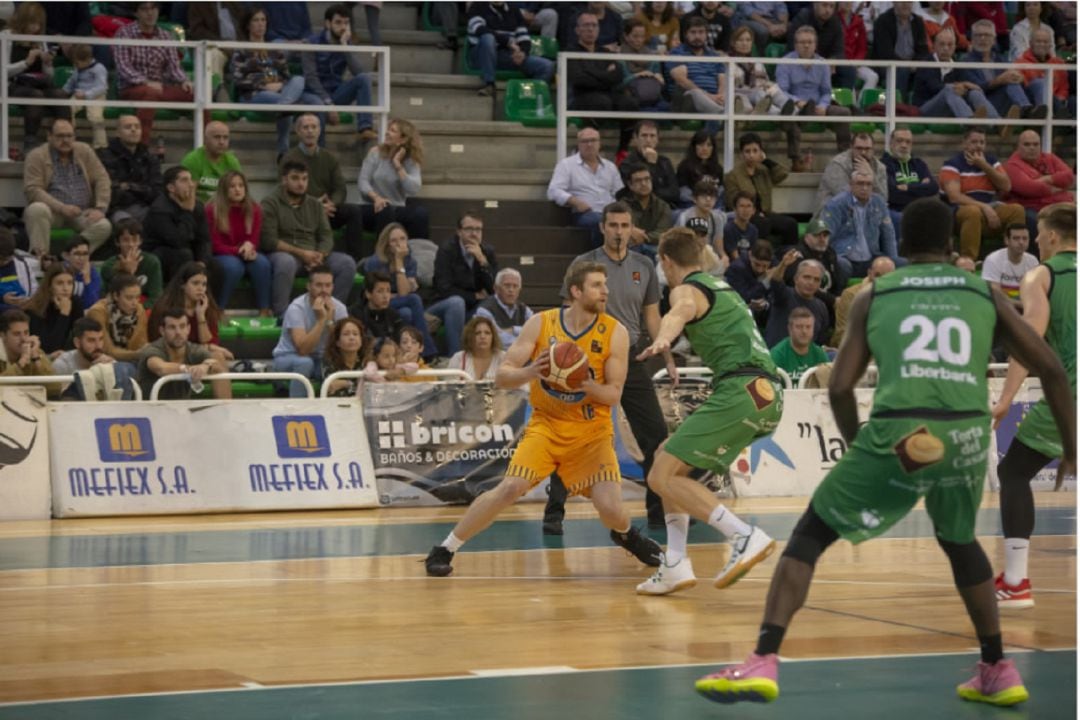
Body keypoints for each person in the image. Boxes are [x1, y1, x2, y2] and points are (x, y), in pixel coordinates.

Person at [695, 196, 1075, 709]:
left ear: (903, 245)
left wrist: (859, 450)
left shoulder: (877, 293)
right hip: (965, 435)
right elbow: (1050, 368)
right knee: (961, 543)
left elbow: (839, 387)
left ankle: (762, 660)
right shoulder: (984, 292)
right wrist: (1070, 448)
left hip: (901, 432)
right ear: (948, 244)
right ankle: (997, 667)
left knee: (808, 535)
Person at [424, 260, 663, 577]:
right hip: (546, 425)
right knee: (510, 487)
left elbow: (614, 395)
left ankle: (626, 535)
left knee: (611, 509)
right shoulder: (541, 323)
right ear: (576, 291)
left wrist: (584, 382)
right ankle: (445, 548)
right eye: (597, 285)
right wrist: (532, 371)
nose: (606, 290)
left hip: (591, 432)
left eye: (605, 285)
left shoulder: (614, 332)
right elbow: (503, 377)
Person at [633, 226, 781, 594]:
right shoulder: (723, 287)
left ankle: (744, 535)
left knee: (659, 477)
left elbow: (679, 310)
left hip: (741, 388)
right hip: (765, 391)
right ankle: (676, 563)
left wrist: (664, 336)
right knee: (664, 455)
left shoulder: (687, 288)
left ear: (666, 261)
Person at [546, 202, 675, 532]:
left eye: (625, 225)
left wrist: (667, 354)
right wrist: (567, 357)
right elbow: (567, 311)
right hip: (588, 358)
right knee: (571, 433)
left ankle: (657, 513)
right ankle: (554, 513)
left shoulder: (643, 265)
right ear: (602, 228)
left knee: (656, 435)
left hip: (629, 357)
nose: (619, 231)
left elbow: (651, 315)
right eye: (613, 225)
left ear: (632, 229)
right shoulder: (584, 264)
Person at [989, 203, 1076, 610]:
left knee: (1014, 470)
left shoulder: (1041, 275)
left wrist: (1005, 399)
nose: (1036, 240)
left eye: (1039, 234)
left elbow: (1029, 342)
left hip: (1069, 397)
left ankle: (1016, 580)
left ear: (1053, 237)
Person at [261, 160, 356, 316]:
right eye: (295, 178)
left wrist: (320, 255)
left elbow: (326, 236)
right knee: (286, 262)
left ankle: (332, 311)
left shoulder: (315, 204)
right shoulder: (270, 203)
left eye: (304, 179)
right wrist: (303, 254)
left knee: (347, 264)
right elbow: (268, 240)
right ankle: (281, 314)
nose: (301, 183)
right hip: (287, 254)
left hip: (314, 255)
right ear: (284, 179)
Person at [231, 7, 325, 159]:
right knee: (284, 102)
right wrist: (263, 85)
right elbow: (238, 79)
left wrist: (281, 85)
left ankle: (319, 151)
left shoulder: (275, 49)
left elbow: (287, 76)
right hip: (256, 94)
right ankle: (283, 151)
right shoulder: (241, 49)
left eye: (263, 20)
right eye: (256, 20)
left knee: (311, 95)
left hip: (282, 91)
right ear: (248, 25)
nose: (261, 24)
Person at [281, 113, 365, 259]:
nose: (310, 131)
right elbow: (284, 191)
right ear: (298, 131)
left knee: (354, 211)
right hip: (302, 211)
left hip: (328, 210)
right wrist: (315, 205)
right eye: (305, 127)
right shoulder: (288, 158)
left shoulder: (329, 157)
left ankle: (356, 260)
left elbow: (340, 188)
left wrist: (332, 203)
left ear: (320, 130)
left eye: (314, 127)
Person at [23, 119, 112, 257]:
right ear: (49, 136)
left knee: (104, 226)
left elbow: (102, 178)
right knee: (36, 209)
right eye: (60, 136)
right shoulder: (36, 156)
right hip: (53, 213)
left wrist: (100, 208)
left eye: (69, 136)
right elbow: (33, 190)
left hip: (81, 212)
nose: (65, 140)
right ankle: (41, 259)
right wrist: (61, 208)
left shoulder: (84, 150)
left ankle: (72, 256)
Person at [113, 2, 196, 146]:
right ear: (136, 13)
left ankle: (208, 145)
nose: (150, 13)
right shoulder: (123, 34)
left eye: (153, 9)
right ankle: (141, 147)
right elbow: (124, 68)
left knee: (197, 94)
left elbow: (173, 66)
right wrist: (146, 82)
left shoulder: (166, 36)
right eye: (144, 9)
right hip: (131, 88)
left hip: (160, 88)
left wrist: (184, 81)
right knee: (150, 93)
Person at [939, 127, 1025, 260]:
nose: (978, 146)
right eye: (974, 142)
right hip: (959, 213)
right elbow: (954, 197)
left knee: (1016, 210)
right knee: (973, 211)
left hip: (989, 210)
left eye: (982, 142)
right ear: (964, 143)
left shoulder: (991, 162)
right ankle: (969, 260)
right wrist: (984, 207)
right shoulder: (952, 164)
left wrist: (984, 165)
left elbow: (1007, 186)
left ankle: (1011, 258)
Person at [776, 27, 851, 169]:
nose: (806, 45)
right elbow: (782, 90)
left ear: (815, 45)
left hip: (817, 106)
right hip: (796, 105)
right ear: (796, 44)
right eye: (802, 42)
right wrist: (797, 101)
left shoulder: (822, 64)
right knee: (791, 116)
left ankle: (845, 157)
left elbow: (826, 91)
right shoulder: (785, 62)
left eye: (810, 42)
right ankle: (796, 161)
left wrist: (823, 105)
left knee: (844, 112)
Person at [359, 223, 438, 358]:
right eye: (394, 240)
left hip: (397, 304)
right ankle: (427, 351)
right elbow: (387, 294)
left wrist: (399, 262)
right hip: (375, 304)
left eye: (402, 239)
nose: (399, 244)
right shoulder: (375, 262)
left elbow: (402, 293)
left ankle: (406, 354)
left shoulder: (410, 262)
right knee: (414, 299)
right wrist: (398, 260)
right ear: (386, 244)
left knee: (406, 313)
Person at [302, 4, 377, 143]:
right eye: (338, 22)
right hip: (313, 93)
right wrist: (328, 104)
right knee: (318, 106)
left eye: (346, 23)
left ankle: (365, 128)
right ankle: (320, 152)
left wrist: (345, 47)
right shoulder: (311, 42)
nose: (343, 27)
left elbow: (358, 72)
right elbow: (311, 78)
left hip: (336, 92)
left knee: (363, 78)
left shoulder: (346, 43)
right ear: (327, 23)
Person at [566, 11, 638, 153]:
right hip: (581, 97)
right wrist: (605, 75)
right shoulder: (570, 51)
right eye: (586, 25)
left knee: (630, 104)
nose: (590, 29)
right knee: (602, 102)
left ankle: (622, 150)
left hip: (607, 94)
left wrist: (591, 71)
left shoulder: (605, 52)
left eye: (594, 25)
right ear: (577, 30)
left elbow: (617, 76)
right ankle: (585, 146)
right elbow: (579, 79)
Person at [272, 265, 349, 397]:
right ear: (309, 286)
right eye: (319, 285)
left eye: (328, 285)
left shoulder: (340, 308)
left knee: (334, 368)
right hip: (288, 357)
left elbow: (343, 345)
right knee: (305, 363)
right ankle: (297, 409)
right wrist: (321, 320)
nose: (324, 290)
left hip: (320, 359)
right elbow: (303, 350)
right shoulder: (296, 308)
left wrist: (330, 321)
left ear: (333, 287)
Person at [5, 2, 71, 156]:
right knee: (36, 96)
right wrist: (25, 62)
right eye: (32, 23)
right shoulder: (6, 37)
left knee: (60, 94)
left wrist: (48, 63)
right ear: (22, 20)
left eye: (38, 24)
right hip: (13, 84)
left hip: (38, 83)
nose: (35, 28)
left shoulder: (40, 40)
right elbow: (3, 71)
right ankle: (30, 141)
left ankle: (66, 137)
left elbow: (48, 76)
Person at [432, 212, 497, 355]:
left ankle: (484, 356)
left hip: (471, 309)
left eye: (478, 229)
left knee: (492, 301)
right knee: (456, 303)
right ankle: (456, 358)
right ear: (459, 232)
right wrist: (474, 296)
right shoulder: (446, 250)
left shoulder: (487, 251)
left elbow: (494, 290)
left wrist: (482, 261)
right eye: (469, 229)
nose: (474, 234)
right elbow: (444, 288)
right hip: (444, 306)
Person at [206, 171, 271, 315]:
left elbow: (254, 238)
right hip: (221, 253)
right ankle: (218, 309)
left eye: (241, 185)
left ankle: (264, 310)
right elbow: (215, 245)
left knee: (262, 264)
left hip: (244, 252)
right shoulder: (212, 210)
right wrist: (239, 251)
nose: (238, 189)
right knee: (234, 267)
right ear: (224, 189)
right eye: (232, 186)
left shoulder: (254, 209)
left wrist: (250, 246)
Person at [547, 126, 624, 246]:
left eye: (593, 140)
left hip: (611, 213)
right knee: (601, 223)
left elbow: (620, 193)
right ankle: (603, 259)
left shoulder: (610, 167)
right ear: (578, 144)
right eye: (584, 141)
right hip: (585, 214)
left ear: (599, 143)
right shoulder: (567, 165)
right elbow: (553, 191)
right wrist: (575, 201)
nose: (589, 144)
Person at [358, 118, 430, 243]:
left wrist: (398, 165)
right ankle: (383, 255)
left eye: (392, 131)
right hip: (372, 208)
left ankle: (419, 254)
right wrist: (377, 198)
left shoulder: (410, 160)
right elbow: (363, 182)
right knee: (385, 209)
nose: (387, 133)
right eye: (388, 130)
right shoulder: (375, 153)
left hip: (397, 208)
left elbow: (414, 189)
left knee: (421, 213)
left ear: (403, 139)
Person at [819, 170, 901, 279]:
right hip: (844, 257)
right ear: (851, 185)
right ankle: (838, 294)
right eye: (860, 183)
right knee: (842, 265)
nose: (865, 188)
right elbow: (826, 235)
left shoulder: (879, 202)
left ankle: (891, 294)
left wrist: (891, 260)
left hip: (872, 258)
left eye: (868, 184)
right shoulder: (836, 204)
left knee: (901, 263)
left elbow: (888, 234)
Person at [143, 166, 214, 285]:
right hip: (157, 256)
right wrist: (187, 212)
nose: (191, 185)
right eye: (184, 180)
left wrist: (202, 262)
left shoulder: (197, 206)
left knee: (216, 266)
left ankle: (208, 301)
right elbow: (178, 241)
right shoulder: (159, 210)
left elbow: (204, 239)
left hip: (184, 252)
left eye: (191, 180)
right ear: (171, 188)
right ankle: (176, 298)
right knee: (183, 254)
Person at [724, 133, 798, 249]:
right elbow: (731, 201)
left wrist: (766, 160)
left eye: (755, 151)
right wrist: (753, 212)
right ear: (741, 154)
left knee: (791, 224)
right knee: (764, 224)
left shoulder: (764, 171)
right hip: (746, 215)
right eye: (747, 151)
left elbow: (783, 174)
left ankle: (788, 257)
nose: (751, 155)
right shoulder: (733, 175)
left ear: (760, 152)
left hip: (766, 213)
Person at [962, 19, 1044, 123]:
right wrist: (1000, 80)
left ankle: (1041, 113)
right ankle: (1026, 110)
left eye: (987, 35)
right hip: (986, 104)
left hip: (1009, 101)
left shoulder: (1000, 59)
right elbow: (977, 89)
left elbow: (1015, 81)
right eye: (979, 35)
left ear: (994, 40)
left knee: (1038, 83)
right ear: (972, 39)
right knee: (1009, 82)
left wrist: (1020, 78)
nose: (983, 39)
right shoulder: (966, 62)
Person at [467, 2, 554, 97]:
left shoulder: (514, 9)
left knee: (546, 66)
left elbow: (524, 37)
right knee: (488, 38)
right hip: (481, 55)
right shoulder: (477, 7)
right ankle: (489, 84)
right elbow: (480, 29)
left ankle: (531, 99)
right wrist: (507, 42)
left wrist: (522, 53)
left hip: (504, 55)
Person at [136, 308, 226, 401]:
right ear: (162, 331)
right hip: (148, 410)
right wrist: (190, 369)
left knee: (217, 355)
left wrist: (205, 366)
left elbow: (218, 365)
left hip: (180, 411)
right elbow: (160, 368)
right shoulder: (153, 349)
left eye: (182, 326)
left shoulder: (193, 349)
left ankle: (226, 411)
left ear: (188, 329)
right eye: (172, 327)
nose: (178, 332)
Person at [1003, 130, 1075, 240]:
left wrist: (1047, 178)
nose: (1032, 148)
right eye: (1027, 144)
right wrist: (1057, 186)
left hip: (1060, 205)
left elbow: (1069, 177)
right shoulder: (1012, 165)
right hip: (1032, 208)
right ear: (1018, 146)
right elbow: (1029, 188)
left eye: (1036, 144)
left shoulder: (1049, 158)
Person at [912, 28, 997, 120]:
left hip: (950, 108)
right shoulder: (925, 63)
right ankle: (971, 123)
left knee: (974, 93)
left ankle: (998, 123)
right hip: (926, 109)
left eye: (950, 45)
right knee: (949, 89)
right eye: (942, 44)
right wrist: (963, 85)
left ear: (955, 47)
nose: (945, 48)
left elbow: (975, 85)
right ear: (934, 45)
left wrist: (969, 87)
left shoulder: (957, 65)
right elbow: (935, 87)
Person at [97, 115, 163, 224]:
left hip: (146, 206)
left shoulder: (149, 157)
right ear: (118, 132)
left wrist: (129, 186)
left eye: (137, 127)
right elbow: (111, 191)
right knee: (129, 225)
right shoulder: (104, 156)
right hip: (116, 209)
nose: (133, 130)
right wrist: (142, 190)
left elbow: (157, 190)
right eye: (128, 127)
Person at [52, 317, 137, 401]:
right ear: (77, 343)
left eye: (101, 339)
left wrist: (112, 369)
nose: (98, 346)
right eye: (91, 340)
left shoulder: (107, 362)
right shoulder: (62, 365)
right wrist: (93, 370)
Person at [763, 253, 830, 348]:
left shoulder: (821, 307)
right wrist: (783, 264)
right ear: (796, 279)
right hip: (776, 357)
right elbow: (776, 280)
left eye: (816, 280)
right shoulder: (784, 295)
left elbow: (820, 341)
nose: (811, 282)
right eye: (807, 277)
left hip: (806, 361)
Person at [728, 26, 797, 118]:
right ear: (733, 43)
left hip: (758, 91)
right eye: (740, 40)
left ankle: (796, 111)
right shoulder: (727, 62)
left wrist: (772, 89)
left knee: (775, 91)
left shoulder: (757, 63)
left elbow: (765, 82)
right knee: (759, 93)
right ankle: (779, 115)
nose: (744, 43)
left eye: (748, 40)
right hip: (740, 95)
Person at [881, 128, 940, 233]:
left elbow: (933, 187)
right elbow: (892, 194)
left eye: (908, 142)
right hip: (895, 210)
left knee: (941, 215)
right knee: (901, 219)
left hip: (920, 209)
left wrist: (907, 187)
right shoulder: (883, 165)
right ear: (891, 143)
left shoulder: (919, 164)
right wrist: (920, 187)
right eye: (899, 141)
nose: (904, 145)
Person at [666, 17, 726, 117]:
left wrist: (720, 96)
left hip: (715, 97)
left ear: (706, 34)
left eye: (701, 32)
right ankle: (723, 115)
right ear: (686, 34)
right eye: (693, 32)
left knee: (737, 95)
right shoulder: (677, 53)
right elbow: (681, 81)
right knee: (695, 93)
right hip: (687, 100)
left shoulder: (714, 55)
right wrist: (709, 96)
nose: (697, 36)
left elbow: (723, 80)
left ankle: (750, 117)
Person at [831, 255, 895, 346]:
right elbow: (842, 334)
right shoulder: (850, 295)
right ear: (869, 273)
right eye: (877, 275)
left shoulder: (898, 296)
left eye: (887, 277)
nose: (881, 280)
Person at [86, 274, 150, 365]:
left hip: (133, 362)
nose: (135, 303)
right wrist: (137, 354)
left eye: (137, 297)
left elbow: (141, 344)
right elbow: (107, 350)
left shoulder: (139, 310)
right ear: (116, 296)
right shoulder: (98, 312)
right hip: (100, 363)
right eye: (129, 298)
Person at [783, 218, 847, 308]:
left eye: (825, 235)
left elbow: (837, 282)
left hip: (828, 303)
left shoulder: (830, 253)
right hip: (803, 303)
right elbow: (800, 286)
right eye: (817, 235)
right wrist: (832, 300)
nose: (822, 239)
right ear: (806, 237)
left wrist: (838, 299)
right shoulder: (796, 255)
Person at [100, 218, 163, 308]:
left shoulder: (151, 262)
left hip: (142, 308)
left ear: (140, 241)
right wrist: (127, 273)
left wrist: (136, 311)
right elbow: (107, 297)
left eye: (134, 240)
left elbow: (155, 297)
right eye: (126, 240)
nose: (131, 244)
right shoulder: (108, 266)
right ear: (117, 242)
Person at [814, 133, 888, 209]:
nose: (863, 152)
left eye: (867, 149)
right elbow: (844, 196)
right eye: (859, 148)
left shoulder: (880, 167)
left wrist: (871, 176)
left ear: (873, 149)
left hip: (869, 212)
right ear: (851, 148)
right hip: (833, 213)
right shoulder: (837, 164)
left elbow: (883, 198)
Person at [870, 1, 929, 95]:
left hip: (912, 65)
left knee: (929, 70)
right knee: (902, 70)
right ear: (894, 2)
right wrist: (907, 65)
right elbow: (885, 54)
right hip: (887, 64)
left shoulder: (918, 21)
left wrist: (915, 64)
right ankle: (898, 106)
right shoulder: (883, 21)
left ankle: (921, 107)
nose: (905, 4)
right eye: (902, 1)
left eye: (909, 2)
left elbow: (923, 50)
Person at [24, 265, 82, 356]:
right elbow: (49, 348)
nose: (66, 288)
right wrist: (64, 314)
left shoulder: (75, 302)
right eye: (59, 283)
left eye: (70, 283)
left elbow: (81, 337)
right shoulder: (34, 309)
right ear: (50, 286)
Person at [620, 121, 679, 207]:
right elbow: (637, 193)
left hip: (665, 208)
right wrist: (651, 165)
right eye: (644, 135)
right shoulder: (627, 164)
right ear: (635, 138)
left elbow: (674, 193)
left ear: (657, 139)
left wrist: (654, 193)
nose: (648, 140)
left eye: (652, 136)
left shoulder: (665, 162)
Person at [181, 122, 243, 204]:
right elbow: (187, 196)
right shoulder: (192, 160)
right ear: (205, 139)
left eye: (225, 138)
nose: (221, 142)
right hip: (199, 210)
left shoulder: (232, 162)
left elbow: (240, 193)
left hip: (225, 209)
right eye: (217, 137)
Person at [786, 2, 847, 86]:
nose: (828, 10)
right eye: (824, 5)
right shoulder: (802, 17)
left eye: (831, 6)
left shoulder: (835, 22)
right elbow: (793, 46)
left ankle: (839, 98)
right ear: (815, 5)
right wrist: (816, 61)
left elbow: (839, 50)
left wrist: (833, 60)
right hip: (803, 59)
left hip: (826, 62)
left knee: (848, 70)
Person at [981, 224, 1040, 309]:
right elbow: (995, 294)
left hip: (1024, 306)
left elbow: (1035, 292)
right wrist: (1021, 304)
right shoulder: (993, 260)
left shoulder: (1033, 261)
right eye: (1016, 238)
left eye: (1025, 238)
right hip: (1000, 308)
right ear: (1007, 240)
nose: (1021, 242)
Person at [1017, 28, 1072, 117]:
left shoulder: (1058, 63)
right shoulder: (1020, 63)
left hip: (1055, 101)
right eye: (1038, 41)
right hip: (1033, 103)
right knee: (1039, 83)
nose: (1042, 44)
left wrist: (1059, 98)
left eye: (1045, 42)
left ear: (1050, 45)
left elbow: (1063, 87)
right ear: (1031, 43)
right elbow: (1023, 88)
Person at [621, 164, 673, 259]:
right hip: (632, 249)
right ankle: (636, 274)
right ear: (630, 185)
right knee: (635, 250)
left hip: (655, 249)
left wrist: (644, 237)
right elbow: (625, 231)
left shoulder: (663, 206)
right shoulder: (623, 206)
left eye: (647, 179)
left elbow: (663, 233)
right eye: (638, 181)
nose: (644, 183)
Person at [476, 268, 533, 350]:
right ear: (496, 288)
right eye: (507, 285)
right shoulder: (484, 310)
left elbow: (535, 332)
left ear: (519, 290)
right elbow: (496, 340)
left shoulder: (524, 310)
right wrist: (524, 338)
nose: (511, 290)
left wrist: (513, 330)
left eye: (515, 286)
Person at [769, 307, 830, 386]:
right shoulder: (777, 355)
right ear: (790, 329)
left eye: (808, 327)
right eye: (799, 327)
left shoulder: (820, 354)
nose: (804, 331)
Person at [63, 44, 108, 150]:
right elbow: (72, 81)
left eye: (77, 63)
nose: (75, 65)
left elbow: (102, 87)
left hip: (96, 96)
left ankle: (101, 146)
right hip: (79, 95)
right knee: (68, 109)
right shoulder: (77, 68)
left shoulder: (99, 68)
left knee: (95, 116)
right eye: (74, 63)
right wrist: (64, 91)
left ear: (88, 60)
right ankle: (70, 138)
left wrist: (87, 94)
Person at [618, 17, 667, 112]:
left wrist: (659, 79)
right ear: (626, 36)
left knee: (665, 108)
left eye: (642, 36)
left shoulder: (652, 57)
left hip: (652, 96)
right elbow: (618, 86)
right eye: (635, 36)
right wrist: (637, 75)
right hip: (630, 97)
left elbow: (661, 86)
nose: (639, 40)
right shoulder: (619, 57)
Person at [725, 239, 773, 328]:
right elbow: (743, 297)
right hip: (736, 312)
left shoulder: (773, 266)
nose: (760, 270)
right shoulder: (737, 269)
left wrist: (766, 303)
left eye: (765, 266)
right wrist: (765, 281)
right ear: (750, 255)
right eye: (757, 264)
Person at [349, 271, 406, 344]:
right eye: (380, 291)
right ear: (368, 294)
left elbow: (401, 338)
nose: (385, 296)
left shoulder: (393, 315)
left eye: (388, 291)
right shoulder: (356, 314)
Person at [676, 181, 725, 262]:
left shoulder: (717, 218)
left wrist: (724, 257)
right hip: (688, 256)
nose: (708, 199)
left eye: (712, 196)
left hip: (709, 256)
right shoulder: (685, 217)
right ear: (695, 199)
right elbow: (680, 246)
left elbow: (719, 248)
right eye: (704, 196)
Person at [321, 317, 370, 396]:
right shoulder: (329, 360)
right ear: (337, 342)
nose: (352, 338)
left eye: (355, 334)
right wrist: (354, 384)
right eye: (346, 334)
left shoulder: (368, 360)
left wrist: (345, 384)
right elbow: (331, 385)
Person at [447, 316, 505, 382]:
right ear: (470, 336)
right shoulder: (458, 358)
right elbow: (450, 388)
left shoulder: (503, 358)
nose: (482, 337)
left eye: (487, 333)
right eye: (477, 333)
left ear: (493, 337)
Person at [836, 2, 879, 91]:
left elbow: (862, 47)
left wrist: (857, 62)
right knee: (849, 73)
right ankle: (850, 103)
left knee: (873, 77)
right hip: (839, 63)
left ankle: (861, 103)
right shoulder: (834, 19)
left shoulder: (858, 21)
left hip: (855, 62)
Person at [675, 129, 723, 208]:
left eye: (709, 145)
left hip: (714, 208)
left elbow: (720, 193)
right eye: (701, 145)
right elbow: (683, 194)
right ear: (694, 147)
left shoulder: (718, 168)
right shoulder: (684, 167)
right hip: (691, 206)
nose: (705, 148)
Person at [0, 309, 54, 378]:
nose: (23, 339)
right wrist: (21, 363)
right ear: (3, 335)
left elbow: (55, 386)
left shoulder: (35, 351)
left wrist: (36, 358)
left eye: (26, 333)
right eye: (16, 334)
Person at [61, 235, 102, 309]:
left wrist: (87, 280)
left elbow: (93, 305)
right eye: (77, 254)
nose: (82, 258)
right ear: (66, 256)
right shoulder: (60, 272)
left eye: (85, 254)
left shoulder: (93, 273)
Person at [722, 191, 759, 264]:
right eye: (742, 206)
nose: (745, 210)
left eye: (749, 206)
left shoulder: (754, 230)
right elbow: (735, 256)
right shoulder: (729, 229)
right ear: (735, 209)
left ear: (753, 210)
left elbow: (753, 253)